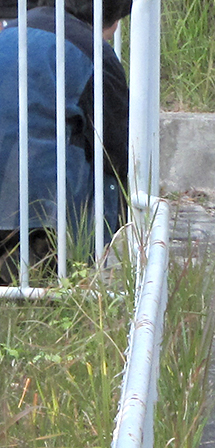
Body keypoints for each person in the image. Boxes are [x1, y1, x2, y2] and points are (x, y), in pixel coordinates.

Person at [0, 0, 132, 285]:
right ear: (110, 17)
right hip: (44, 213)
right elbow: (113, 159)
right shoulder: (95, 55)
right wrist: (113, 231)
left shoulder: (9, 33)